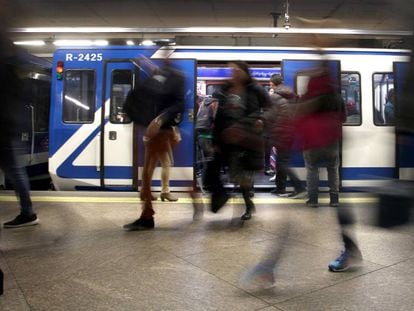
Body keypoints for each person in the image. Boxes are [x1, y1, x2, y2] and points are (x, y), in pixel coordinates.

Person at [124, 59, 185, 230]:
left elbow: (176, 105)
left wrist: (159, 122)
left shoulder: (174, 80)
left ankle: (148, 213)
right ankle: (158, 200)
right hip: (160, 131)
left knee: (149, 172)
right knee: (160, 167)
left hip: (160, 132)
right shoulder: (165, 78)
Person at [206, 61, 269, 220]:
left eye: (237, 70)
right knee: (216, 173)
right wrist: (215, 140)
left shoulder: (255, 90)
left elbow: (269, 109)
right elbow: (219, 117)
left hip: (246, 140)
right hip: (226, 139)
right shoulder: (225, 90)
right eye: (231, 70)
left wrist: (261, 119)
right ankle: (222, 197)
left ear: (245, 72)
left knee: (243, 177)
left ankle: (248, 205)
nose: (233, 72)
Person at [0, 33, 38, 228]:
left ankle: (28, 212)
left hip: (5, 127)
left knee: (15, 171)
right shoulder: (15, 72)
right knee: (15, 171)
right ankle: (27, 212)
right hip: (12, 125)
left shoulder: (5, 70)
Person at [265, 74, 306, 198]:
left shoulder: (274, 97)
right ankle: (280, 188)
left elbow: (269, 116)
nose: (269, 84)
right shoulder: (291, 96)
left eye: (270, 83)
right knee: (280, 161)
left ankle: (299, 187)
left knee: (282, 162)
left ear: (273, 83)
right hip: (290, 132)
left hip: (280, 132)